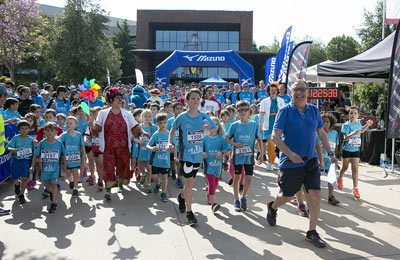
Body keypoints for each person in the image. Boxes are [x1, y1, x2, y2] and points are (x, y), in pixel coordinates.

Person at [266, 80, 338, 248]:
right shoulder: (285, 111)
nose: (300, 92)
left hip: (310, 161)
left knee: (315, 195)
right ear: (291, 93)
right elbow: (275, 136)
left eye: (303, 90)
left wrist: (330, 154)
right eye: (296, 90)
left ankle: (312, 232)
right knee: (287, 196)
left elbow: (321, 133)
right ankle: (273, 206)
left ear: (308, 93)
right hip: (290, 163)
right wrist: (290, 153)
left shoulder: (313, 110)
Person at [167, 88, 216, 225]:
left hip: (198, 156)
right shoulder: (182, 117)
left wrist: (206, 130)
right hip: (185, 155)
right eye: (192, 98)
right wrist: (170, 143)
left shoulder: (204, 117)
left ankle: (182, 198)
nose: (195, 100)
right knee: (189, 183)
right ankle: (189, 213)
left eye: (197, 98)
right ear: (187, 101)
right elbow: (173, 129)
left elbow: (212, 130)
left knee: (190, 183)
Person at [94, 88, 145, 200]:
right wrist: (93, 126)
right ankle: (108, 191)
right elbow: (97, 128)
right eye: (117, 98)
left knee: (122, 166)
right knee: (108, 167)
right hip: (108, 147)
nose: (120, 100)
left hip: (123, 146)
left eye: (121, 98)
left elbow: (135, 126)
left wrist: (143, 132)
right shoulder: (103, 113)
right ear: (111, 100)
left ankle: (120, 185)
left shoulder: (127, 113)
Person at [225, 100, 263, 212]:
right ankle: (236, 199)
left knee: (249, 179)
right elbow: (227, 138)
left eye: (245, 110)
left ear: (249, 112)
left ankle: (243, 197)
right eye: (240, 110)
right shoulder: (234, 125)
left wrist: (261, 153)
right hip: (238, 156)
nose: (243, 112)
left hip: (249, 157)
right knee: (237, 178)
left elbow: (259, 139)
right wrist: (235, 144)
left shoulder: (254, 125)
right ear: (237, 112)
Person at [338, 107, 373, 199]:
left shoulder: (358, 123)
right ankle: (340, 177)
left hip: (355, 150)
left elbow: (360, 131)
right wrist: (353, 133)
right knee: (345, 167)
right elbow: (345, 138)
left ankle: (355, 188)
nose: (353, 115)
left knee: (355, 169)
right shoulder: (345, 125)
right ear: (348, 115)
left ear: (358, 115)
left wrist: (367, 125)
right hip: (346, 149)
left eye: (355, 113)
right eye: (351, 113)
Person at [31, 122, 66, 213]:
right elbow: (35, 155)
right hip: (45, 169)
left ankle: (54, 204)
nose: (50, 133)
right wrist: (32, 166)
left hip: (55, 169)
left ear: (56, 132)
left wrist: (65, 166)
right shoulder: (42, 143)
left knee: (54, 185)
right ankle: (52, 192)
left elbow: (64, 155)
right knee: (47, 186)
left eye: (52, 131)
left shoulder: (59, 143)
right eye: (47, 131)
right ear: (44, 132)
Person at [146, 113, 176, 201]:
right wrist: (152, 148)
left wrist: (173, 152)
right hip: (156, 160)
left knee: (165, 177)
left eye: (164, 122)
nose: (162, 125)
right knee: (154, 177)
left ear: (167, 122)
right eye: (160, 123)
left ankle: (163, 193)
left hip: (165, 161)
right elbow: (148, 145)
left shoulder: (170, 134)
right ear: (157, 124)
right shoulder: (156, 135)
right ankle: (158, 184)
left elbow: (174, 145)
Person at [203, 117, 230, 212]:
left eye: (216, 124)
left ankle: (210, 196)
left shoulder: (222, 138)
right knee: (211, 183)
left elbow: (228, 148)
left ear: (219, 126)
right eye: (212, 124)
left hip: (218, 166)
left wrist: (222, 153)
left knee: (215, 183)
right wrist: (202, 154)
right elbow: (199, 150)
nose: (214, 126)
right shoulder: (205, 138)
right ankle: (214, 204)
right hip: (208, 165)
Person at [6, 120, 34, 204]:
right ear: (19, 130)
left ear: (29, 129)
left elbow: (35, 150)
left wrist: (36, 144)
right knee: (15, 179)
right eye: (22, 128)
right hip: (16, 161)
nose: (24, 130)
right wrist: (12, 150)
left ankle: (21, 195)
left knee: (25, 178)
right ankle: (17, 185)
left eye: (26, 128)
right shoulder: (16, 138)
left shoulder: (31, 139)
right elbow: (7, 148)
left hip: (25, 161)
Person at [259, 83, 286, 170]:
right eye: (271, 90)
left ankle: (272, 162)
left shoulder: (281, 101)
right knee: (271, 145)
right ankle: (270, 163)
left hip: (278, 126)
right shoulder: (264, 101)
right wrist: (260, 126)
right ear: (269, 91)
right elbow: (261, 114)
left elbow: (284, 114)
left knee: (275, 146)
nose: (273, 91)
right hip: (268, 125)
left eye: (275, 90)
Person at [59, 116, 86, 198]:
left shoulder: (78, 135)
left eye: (71, 123)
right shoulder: (64, 135)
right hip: (67, 157)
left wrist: (84, 155)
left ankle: (75, 189)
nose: (68, 124)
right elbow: (58, 139)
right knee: (68, 174)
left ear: (75, 125)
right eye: (67, 123)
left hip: (76, 157)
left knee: (75, 172)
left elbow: (81, 145)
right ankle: (71, 180)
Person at [135, 109, 158, 191]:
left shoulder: (154, 127)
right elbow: (135, 138)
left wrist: (153, 138)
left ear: (151, 117)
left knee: (149, 168)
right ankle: (143, 175)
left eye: (149, 116)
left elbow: (158, 137)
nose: (147, 118)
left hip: (150, 151)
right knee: (141, 167)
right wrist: (140, 141)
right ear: (142, 117)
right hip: (142, 151)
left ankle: (148, 184)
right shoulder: (139, 127)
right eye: (145, 116)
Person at [320, 113, 340, 205]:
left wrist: (336, 156)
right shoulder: (317, 133)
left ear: (331, 123)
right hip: (319, 159)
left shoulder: (334, 133)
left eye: (327, 122)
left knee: (331, 178)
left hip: (330, 160)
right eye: (323, 122)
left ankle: (331, 196)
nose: (325, 124)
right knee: (315, 178)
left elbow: (336, 146)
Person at [167, 102, 184, 188]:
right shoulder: (170, 121)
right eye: (177, 109)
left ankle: (179, 179)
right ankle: (173, 171)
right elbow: (167, 132)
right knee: (172, 161)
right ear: (173, 110)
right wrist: (169, 143)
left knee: (180, 162)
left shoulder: (185, 119)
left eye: (181, 109)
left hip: (181, 146)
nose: (179, 110)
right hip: (172, 145)